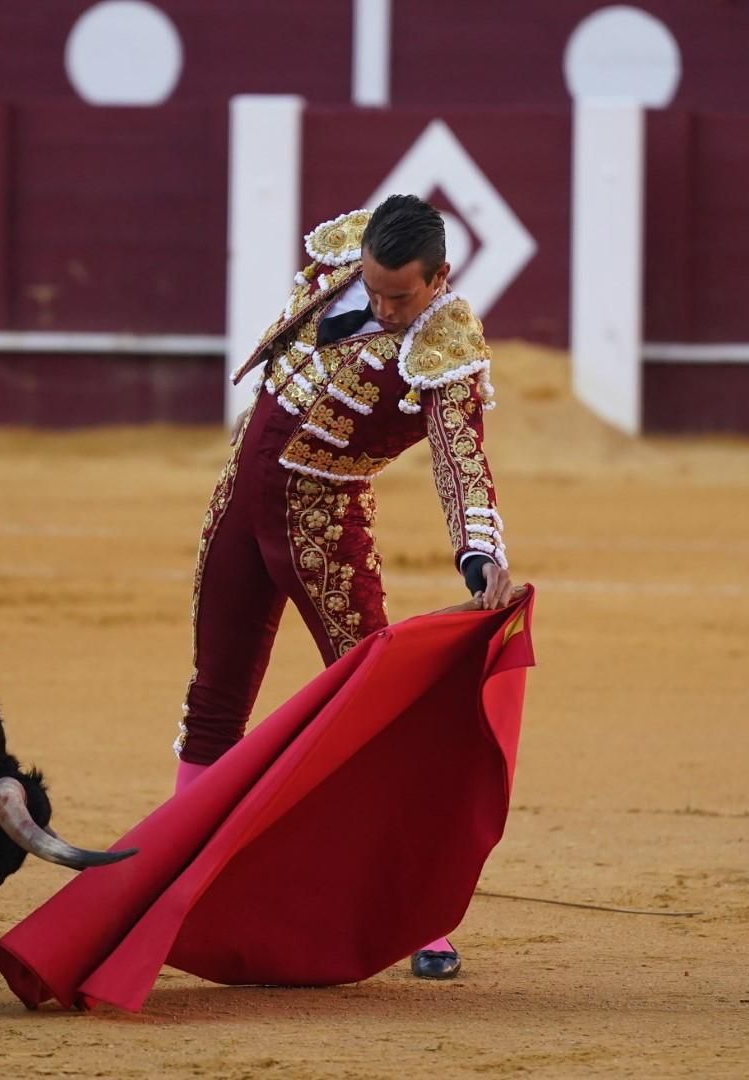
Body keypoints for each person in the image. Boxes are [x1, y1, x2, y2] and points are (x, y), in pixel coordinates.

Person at [171, 194, 517, 981]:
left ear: (440, 280)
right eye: (377, 290)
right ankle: (177, 877)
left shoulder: (447, 349)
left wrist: (477, 556)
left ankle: (417, 916)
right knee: (214, 697)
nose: (387, 307)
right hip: (240, 500)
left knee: (376, 720)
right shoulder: (343, 258)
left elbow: (461, 460)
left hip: (323, 523)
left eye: (403, 296)